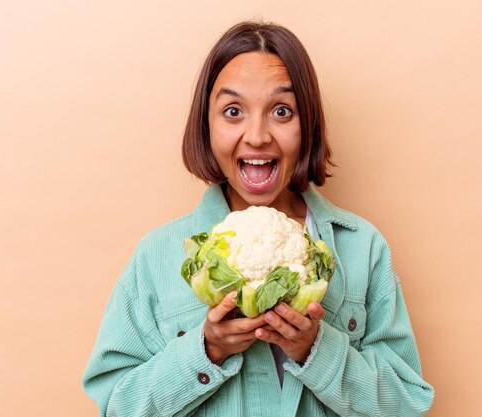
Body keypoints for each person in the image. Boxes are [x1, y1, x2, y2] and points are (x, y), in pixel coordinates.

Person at [83, 21, 434, 417]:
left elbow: (406, 405)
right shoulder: (157, 256)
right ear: (206, 125)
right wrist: (206, 351)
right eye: (233, 111)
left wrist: (316, 350)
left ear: (308, 125)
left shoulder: (361, 247)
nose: (257, 135)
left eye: (281, 111)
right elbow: (116, 406)